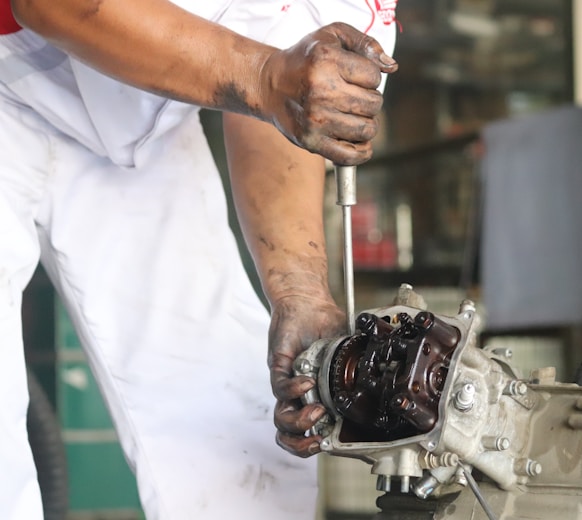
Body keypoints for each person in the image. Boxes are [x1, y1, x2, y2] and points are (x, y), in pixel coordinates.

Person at [0, 0, 397, 519]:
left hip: (135, 95)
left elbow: (291, 103)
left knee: (233, 432)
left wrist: (298, 290)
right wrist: (262, 76)